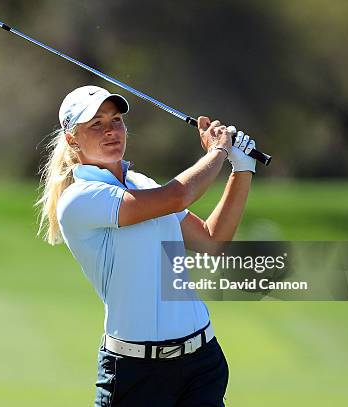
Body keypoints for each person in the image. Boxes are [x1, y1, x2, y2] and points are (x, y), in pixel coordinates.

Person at [36, 85, 257, 407]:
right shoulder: (79, 199)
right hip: (137, 373)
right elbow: (178, 195)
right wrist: (218, 152)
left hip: (201, 361)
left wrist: (242, 167)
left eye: (116, 120)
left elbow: (212, 240)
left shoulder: (143, 184)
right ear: (72, 139)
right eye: (95, 124)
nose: (111, 131)